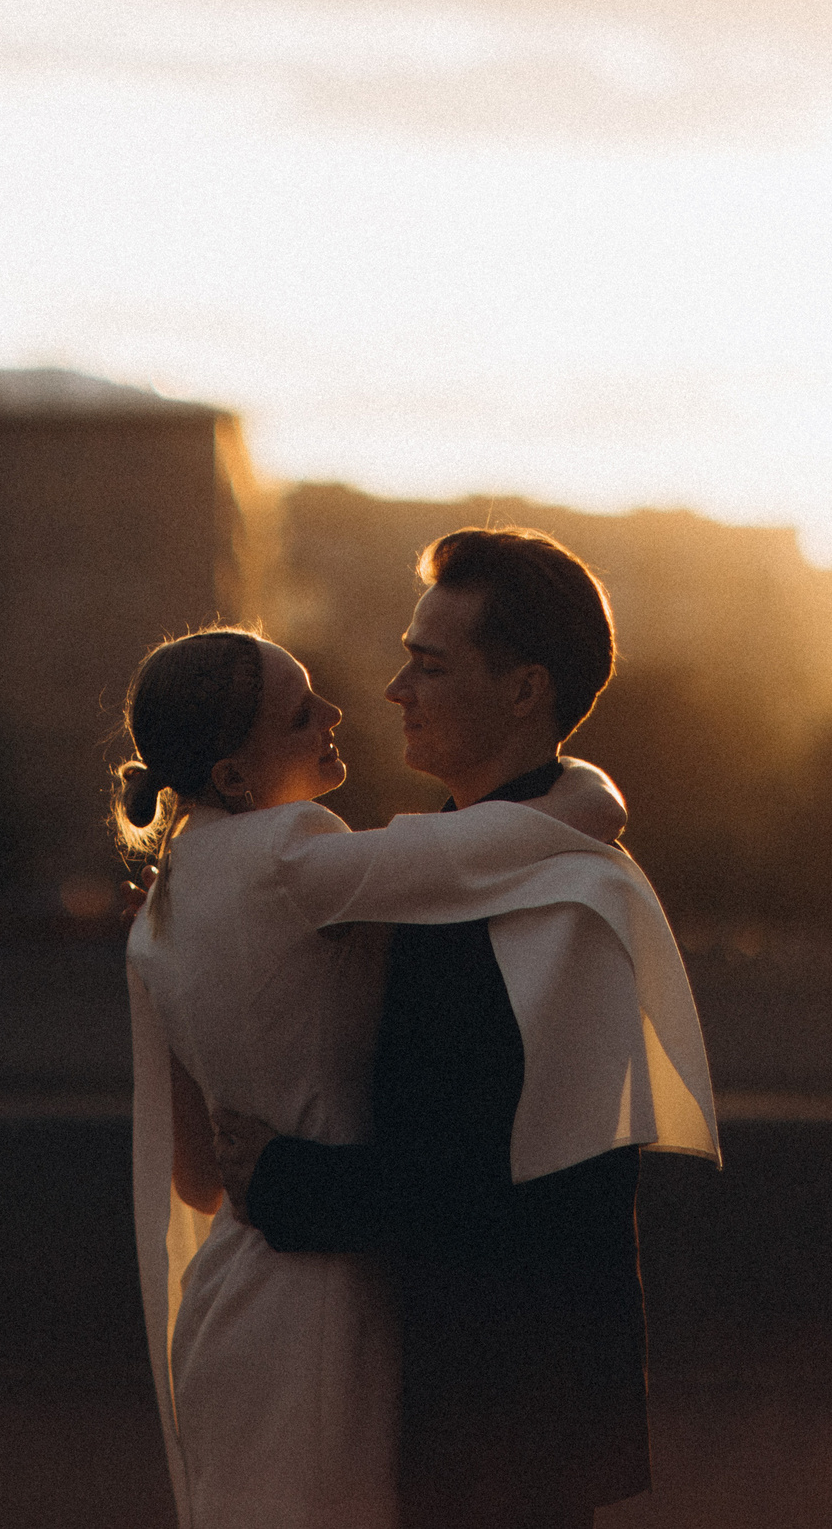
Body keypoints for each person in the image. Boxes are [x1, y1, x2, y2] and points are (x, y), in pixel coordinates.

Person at [209, 529, 720, 1529]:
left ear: (525, 690)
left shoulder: (562, 899)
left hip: (503, 1430)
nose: (395, 689)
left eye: (430, 665)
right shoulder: (458, 866)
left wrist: (281, 1177)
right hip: (465, 1411)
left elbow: (503, 1188)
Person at [118, 627, 641, 1529]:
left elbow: (199, 1177)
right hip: (328, 1306)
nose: (335, 713)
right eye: (299, 714)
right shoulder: (292, 852)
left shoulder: (159, 910)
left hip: (228, 1304)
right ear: (235, 776)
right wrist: (595, 782)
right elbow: (502, 843)